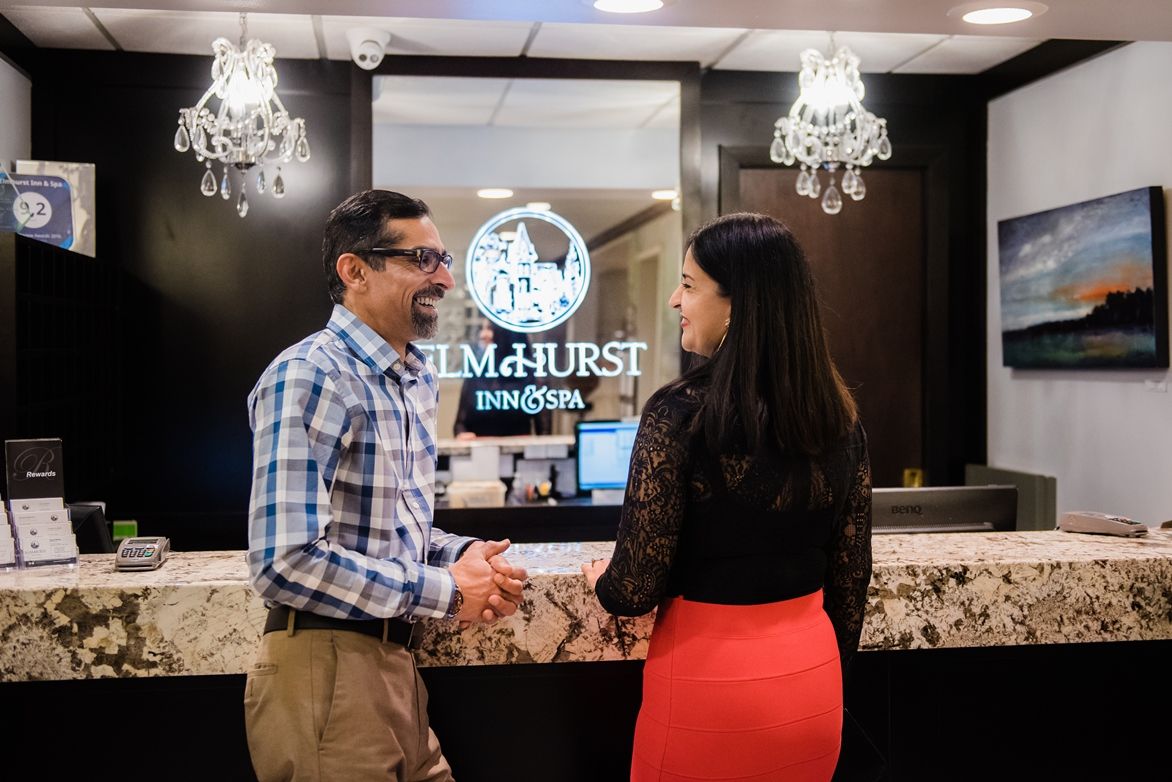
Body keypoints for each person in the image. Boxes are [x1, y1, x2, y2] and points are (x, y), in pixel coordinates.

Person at [244, 189, 528, 782]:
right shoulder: (311, 373)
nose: (446, 278)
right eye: (422, 260)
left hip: (397, 663)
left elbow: (391, 526)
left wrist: (461, 555)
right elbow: (284, 561)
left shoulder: (414, 380)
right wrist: (447, 590)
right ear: (355, 271)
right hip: (327, 666)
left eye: (443, 259)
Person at [581, 212, 872, 782]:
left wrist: (600, 578)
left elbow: (634, 589)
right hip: (812, 685)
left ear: (738, 304)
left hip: (709, 690)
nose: (673, 299)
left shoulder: (678, 413)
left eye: (688, 285)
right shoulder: (841, 418)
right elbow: (849, 582)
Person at [453, 319, 553, 439]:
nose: (483, 335)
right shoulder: (475, 374)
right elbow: (460, 424)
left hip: (519, 454)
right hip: (480, 452)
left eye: (489, 329)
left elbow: (544, 436)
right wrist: (462, 435)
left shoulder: (533, 376)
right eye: (482, 329)